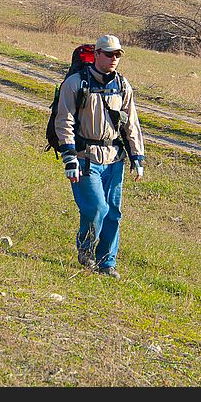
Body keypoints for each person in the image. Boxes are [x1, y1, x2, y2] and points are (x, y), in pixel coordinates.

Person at [54, 34, 145, 279]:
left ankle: (107, 263)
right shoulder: (75, 83)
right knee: (97, 208)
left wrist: (137, 156)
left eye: (117, 54)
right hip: (85, 158)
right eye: (108, 54)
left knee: (113, 213)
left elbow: (132, 123)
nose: (114, 59)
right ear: (96, 54)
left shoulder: (123, 86)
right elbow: (64, 120)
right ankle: (85, 249)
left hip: (115, 160)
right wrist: (69, 156)